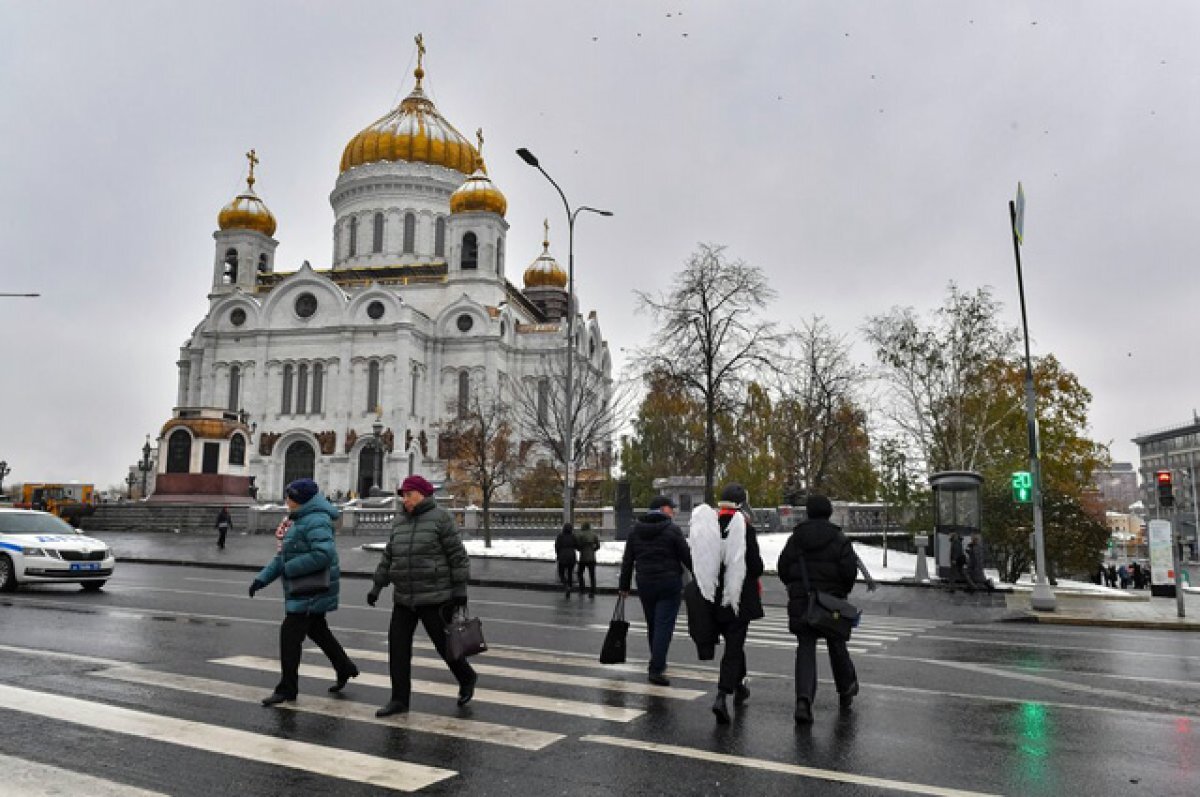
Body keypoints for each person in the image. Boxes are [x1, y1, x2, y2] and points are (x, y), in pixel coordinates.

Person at [368, 474, 477, 717]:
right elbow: (389, 557)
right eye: (403, 496)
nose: (405, 500)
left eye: (409, 495)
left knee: (445, 645)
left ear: (423, 494)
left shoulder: (441, 519)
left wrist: (460, 591)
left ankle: (466, 676)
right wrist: (377, 586)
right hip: (404, 598)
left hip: (435, 597)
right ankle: (399, 700)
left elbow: (457, 556)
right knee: (398, 648)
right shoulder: (400, 522)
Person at [250, 479, 358, 706]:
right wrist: (262, 579)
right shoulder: (300, 519)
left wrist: (290, 570)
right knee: (318, 631)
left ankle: (287, 689)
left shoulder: (315, 520)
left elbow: (323, 554)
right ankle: (344, 667)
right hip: (307, 588)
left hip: (310, 589)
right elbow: (283, 557)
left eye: (289, 497)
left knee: (290, 636)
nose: (286, 501)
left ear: (300, 499)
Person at [777, 494, 859, 724]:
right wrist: (839, 594)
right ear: (829, 512)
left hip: (803, 602)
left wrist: (796, 588)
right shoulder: (839, 539)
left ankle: (803, 702)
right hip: (831, 604)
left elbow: (783, 567)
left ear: (808, 513)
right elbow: (849, 572)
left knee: (805, 647)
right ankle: (846, 690)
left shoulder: (796, 538)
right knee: (837, 644)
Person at [688, 484, 764, 724]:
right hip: (736, 599)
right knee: (733, 646)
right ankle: (722, 695)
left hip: (711, 598)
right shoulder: (743, 528)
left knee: (735, 645)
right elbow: (755, 566)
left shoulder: (707, 525)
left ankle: (740, 687)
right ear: (742, 503)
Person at [618, 495, 692, 686]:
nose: (673, 511)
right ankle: (657, 668)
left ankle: (657, 661)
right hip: (669, 584)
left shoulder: (635, 531)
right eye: (670, 508)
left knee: (653, 624)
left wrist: (624, 586)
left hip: (645, 584)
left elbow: (628, 560)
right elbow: (687, 557)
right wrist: (702, 578)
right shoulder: (672, 530)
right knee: (664, 626)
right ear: (661, 509)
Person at [574, 520, 601, 597]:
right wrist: (593, 550)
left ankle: (582, 589)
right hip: (592, 558)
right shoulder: (594, 534)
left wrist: (580, 549)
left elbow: (577, 545)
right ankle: (592, 590)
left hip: (583, 557)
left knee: (580, 573)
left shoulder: (580, 534)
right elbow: (598, 545)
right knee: (592, 575)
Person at [555, 522, 578, 597]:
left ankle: (566, 585)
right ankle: (570, 586)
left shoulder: (560, 536)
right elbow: (576, 545)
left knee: (561, 573)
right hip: (571, 556)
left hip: (562, 556)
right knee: (570, 573)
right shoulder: (573, 536)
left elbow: (557, 547)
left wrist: (558, 555)